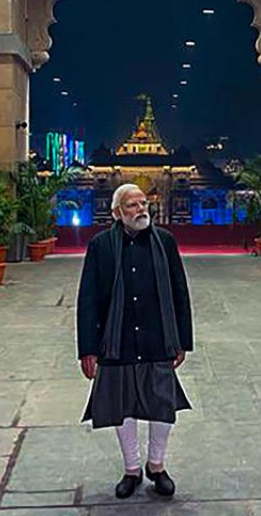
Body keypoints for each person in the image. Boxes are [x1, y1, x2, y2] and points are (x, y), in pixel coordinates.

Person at [77, 183, 194, 499]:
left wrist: (183, 339)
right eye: (132, 205)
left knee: (161, 403)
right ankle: (131, 469)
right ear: (117, 213)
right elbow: (88, 299)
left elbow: (179, 292)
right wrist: (88, 348)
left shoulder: (165, 242)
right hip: (117, 340)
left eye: (144, 203)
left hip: (158, 337)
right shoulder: (101, 246)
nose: (142, 209)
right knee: (122, 405)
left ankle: (157, 465)